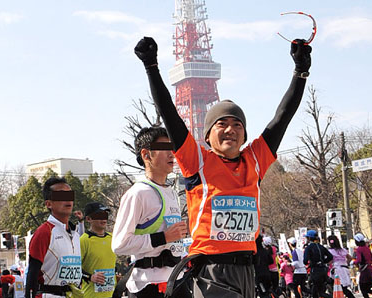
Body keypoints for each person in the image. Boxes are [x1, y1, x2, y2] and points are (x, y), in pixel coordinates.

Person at [134, 33, 311, 298]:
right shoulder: (198, 161)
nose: (230, 129)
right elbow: (169, 112)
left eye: (237, 125)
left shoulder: (255, 160)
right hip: (211, 270)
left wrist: (300, 72)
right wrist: (151, 67)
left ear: (245, 135)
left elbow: (282, 117)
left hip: (246, 270)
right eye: (222, 124)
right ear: (207, 136)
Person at [111, 127, 186, 298]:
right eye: (164, 148)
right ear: (146, 155)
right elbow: (119, 244)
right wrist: (164, 238)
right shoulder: (137, 193)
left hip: (176, 280)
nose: (171, 154)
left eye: (171, 148)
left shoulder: (172, 192)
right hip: (147, 285)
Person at [25, 176, 83, 298]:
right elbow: (32, 273)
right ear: (49, 204)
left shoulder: (76, 234)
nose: (67, 201)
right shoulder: (44, 232)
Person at [80, 202, 116, 298]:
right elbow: (74, 269)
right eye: (99, 215)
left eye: (105, 215)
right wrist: (90, 277)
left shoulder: (113, 238)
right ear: (88, 219)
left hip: (110, 295)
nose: (103, 219)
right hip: (89, 295)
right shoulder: (83, 240)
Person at [303, 230, 332, 298]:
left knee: (318, 291)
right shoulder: (321, 247)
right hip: (323, 269)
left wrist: (311, 262)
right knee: (318, 290)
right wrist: (323, 261)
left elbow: (305, 261)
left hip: (315, 270)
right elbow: (330, 256)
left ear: (309, 238)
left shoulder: (309, 248)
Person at [353, 233, 372, 298]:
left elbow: (359, 260)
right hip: (370, 269)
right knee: (368, 287)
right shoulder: (367, 248)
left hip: (364, 270)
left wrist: (353, 262)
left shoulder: (359, 249)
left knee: (363, 288)